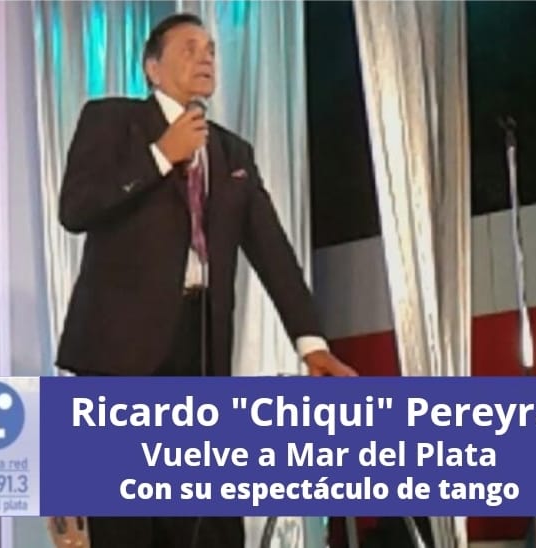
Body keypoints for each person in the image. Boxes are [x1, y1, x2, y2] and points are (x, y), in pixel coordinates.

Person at [55, 12, 357, 548]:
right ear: (152, 67)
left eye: (211, 50)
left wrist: (311, 343)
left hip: (199, 347)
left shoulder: (232, 152)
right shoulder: (112, 120)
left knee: (208, 523)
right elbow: (76, 209)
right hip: (119, 358)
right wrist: (159, 157)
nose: (206, 58)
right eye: (190, 48)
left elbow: (273, 252)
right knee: (127, 528)